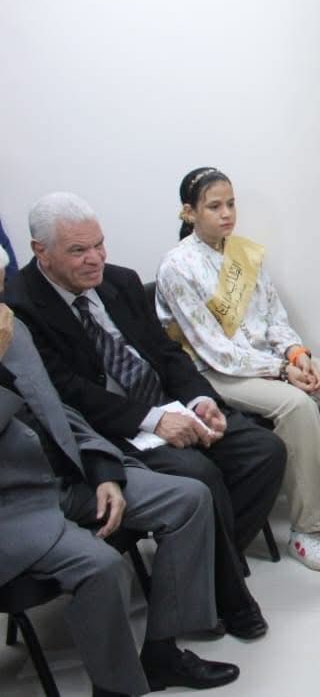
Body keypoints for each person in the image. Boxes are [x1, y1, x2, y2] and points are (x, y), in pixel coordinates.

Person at [5, 192, 281, 636]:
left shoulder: (120, 281)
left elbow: (165, 352)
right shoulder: (19, 305)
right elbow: (66, 393)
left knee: (264, 451)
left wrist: (199, 400)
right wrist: (153, 421)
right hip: (109, 431)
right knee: (200, 475)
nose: (95, 259)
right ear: (42, 251)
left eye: (99, 244)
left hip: (166, 405)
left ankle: (202, 569)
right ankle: (228, 599)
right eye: (78, 250)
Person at [155, 167, 320, 572]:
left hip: (270, 361)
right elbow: (215, 350)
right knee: (296, 406)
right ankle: (309, 528)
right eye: (214, 206)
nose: (226, 213)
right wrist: (283, 372)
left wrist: (296, 354)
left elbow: (273, 316)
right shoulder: (176, 267)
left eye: (231, 204)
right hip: (219, 373)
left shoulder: (242, 253)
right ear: (189, 212)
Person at [0, 299, 238, 695]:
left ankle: (162, 654)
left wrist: (103, 470)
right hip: (15, 508)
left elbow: (55, 409)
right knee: (103, 566)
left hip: (70, 477)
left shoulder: (11, 327)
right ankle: (117, 688)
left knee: (190, 498)